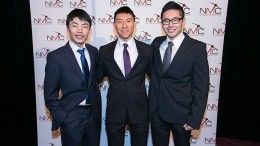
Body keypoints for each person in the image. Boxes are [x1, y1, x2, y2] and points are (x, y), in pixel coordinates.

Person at [148, 1, 210, 146]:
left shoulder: (197, 48)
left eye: (175, 20)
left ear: (183, 21)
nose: (170, 24)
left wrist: (194, 119)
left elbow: (201, 88)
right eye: (166, 20)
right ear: (162, 23)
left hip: (182, 115)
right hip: (157, 113)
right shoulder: (156, 44)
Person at [44, 8, 101, 146]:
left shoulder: (94, 52)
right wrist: (64, 118)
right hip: (71, 116)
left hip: (93, 115)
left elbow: (95, 80)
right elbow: (50, 96)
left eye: (84, 26)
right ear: (68, 28)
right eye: (75, 25)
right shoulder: (56, 57)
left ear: (89, 30)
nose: (80, 30)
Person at [97, 6, 153, 146]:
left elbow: (156, 80)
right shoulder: (104, 51)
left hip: (140, 112)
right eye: (119, 21)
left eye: (128, 21)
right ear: (114, 24)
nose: (124, 25)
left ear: (134, 23)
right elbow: (96, 79)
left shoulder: (147, 50)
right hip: (114, 112)